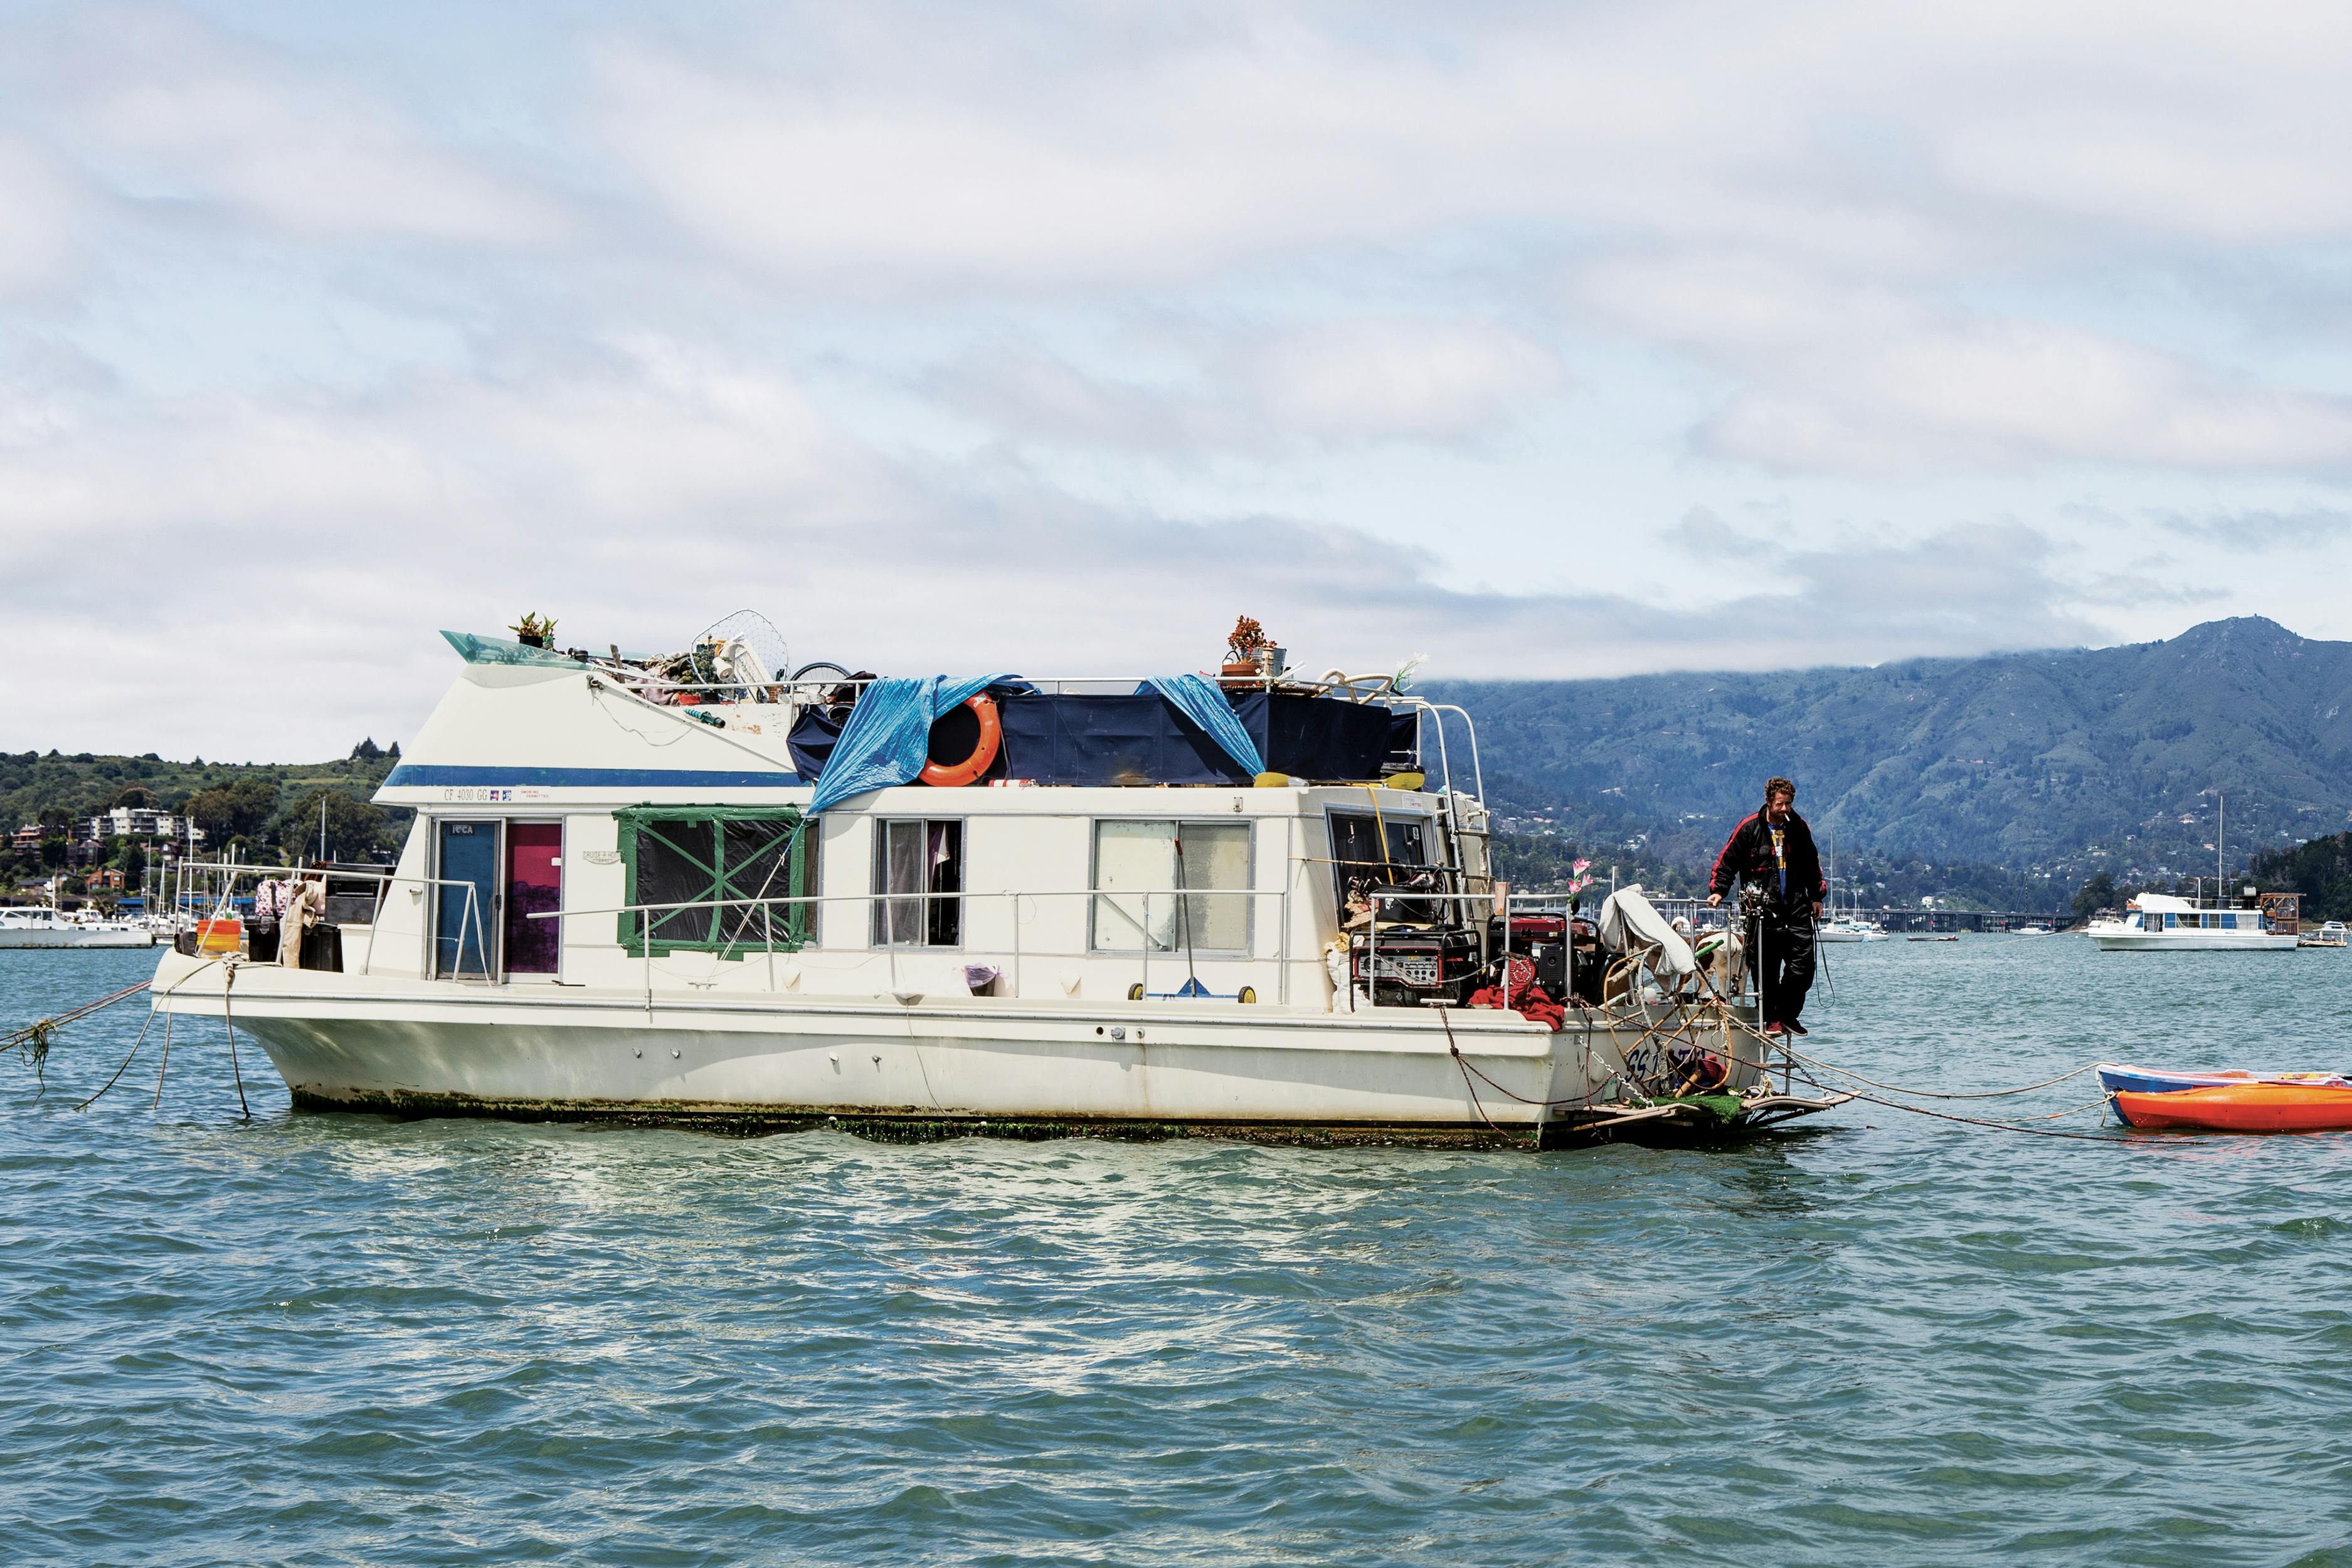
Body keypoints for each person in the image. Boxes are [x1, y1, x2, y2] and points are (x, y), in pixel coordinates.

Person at [1705, 776, 1826, 1037]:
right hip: (1762, 910)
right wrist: (1718, 891)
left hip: (1796, 906)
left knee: (1803, 968)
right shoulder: (1749, 828)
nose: (1785, 809)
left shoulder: (1799, 828)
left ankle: (1787, 1014)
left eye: (1789, 804)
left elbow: (1811, 862)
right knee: (1766, 969)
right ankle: (1772, 1018)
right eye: (1781, 804)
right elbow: (1728, 860)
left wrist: (1817, 896)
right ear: (1769, 801)